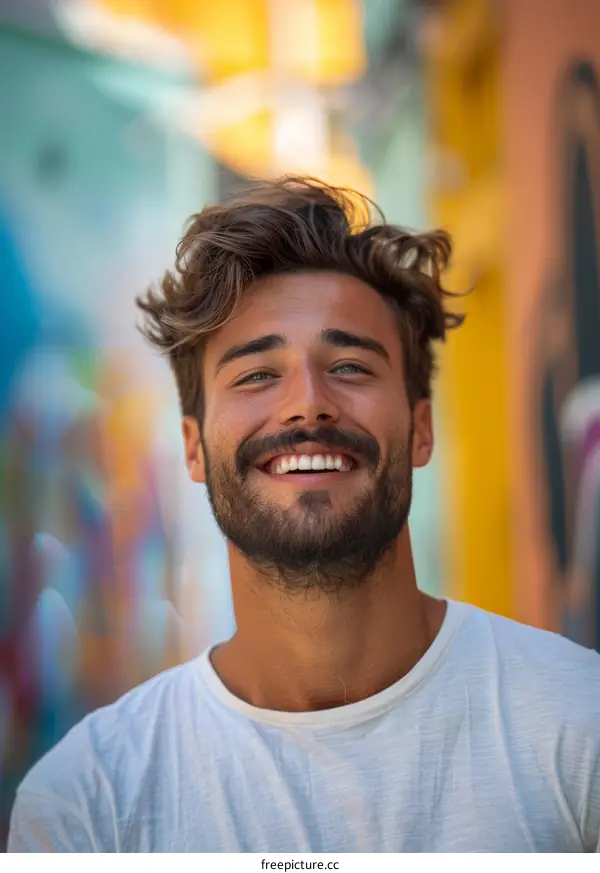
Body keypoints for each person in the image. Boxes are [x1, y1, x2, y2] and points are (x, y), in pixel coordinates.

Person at [8, 178, 600, 853]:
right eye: (257, 375)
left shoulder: (578, 729)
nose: (308, 403)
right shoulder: (90, 803)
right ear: (194, 447)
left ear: (421, 428)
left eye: (349, 366)